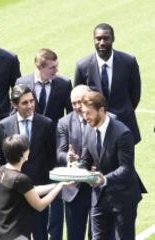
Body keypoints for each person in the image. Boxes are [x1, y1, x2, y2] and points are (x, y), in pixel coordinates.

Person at [16, 48, 72, 240]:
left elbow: (69, 117)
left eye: (56, 66)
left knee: (54, 200)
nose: (56, 71)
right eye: (51, 67)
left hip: (53, 150)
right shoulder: (22, 83)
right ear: (39, 67)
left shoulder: (64, 84)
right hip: (29, 150)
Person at [0, 84, 56, 240]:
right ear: (14, 105)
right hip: (13, 194)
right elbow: (0, 157)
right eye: (25, 103)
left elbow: (51, 156)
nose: (30, 106)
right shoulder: (4, 125)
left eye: (32, 101)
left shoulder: (46, 124)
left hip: (38, 187)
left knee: (40, 233)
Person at [79, 91, 146, 239]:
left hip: (123, 197)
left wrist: (103, 179)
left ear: (101, 110)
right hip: (99, 197)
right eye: (83, 113)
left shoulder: (123, 133)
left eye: (88, 113)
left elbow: (126, 169)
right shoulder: (88, 129)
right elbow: (85, 161)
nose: (85, 117)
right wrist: (74, 171)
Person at [0, 134, 73, 240]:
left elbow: (30, 191)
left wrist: (56, 185)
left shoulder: (2, 170)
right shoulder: (21, 179)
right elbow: (39, 205)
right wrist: (60, 186)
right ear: (23, 154)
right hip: (16, 235)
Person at [74, 23, 141, 144]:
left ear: (113, 39)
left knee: (124, 163)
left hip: (124, 124)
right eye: (98, 38)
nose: (102, 42)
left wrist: (123, 111)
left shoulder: (128, 62)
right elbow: (79, 97)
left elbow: (135, 94)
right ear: (93, 40)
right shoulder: (83, 65)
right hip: (94, 126)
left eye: (106, 38)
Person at [56, 85, 92, 240]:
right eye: (73, 103)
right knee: (74, 235)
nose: (77, 107)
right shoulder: (64, 122)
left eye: (80, 102)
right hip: (74, 188)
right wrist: (67, 157)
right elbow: (60, 152)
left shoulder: (101, 118)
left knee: (98, 234)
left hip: (96, 184)